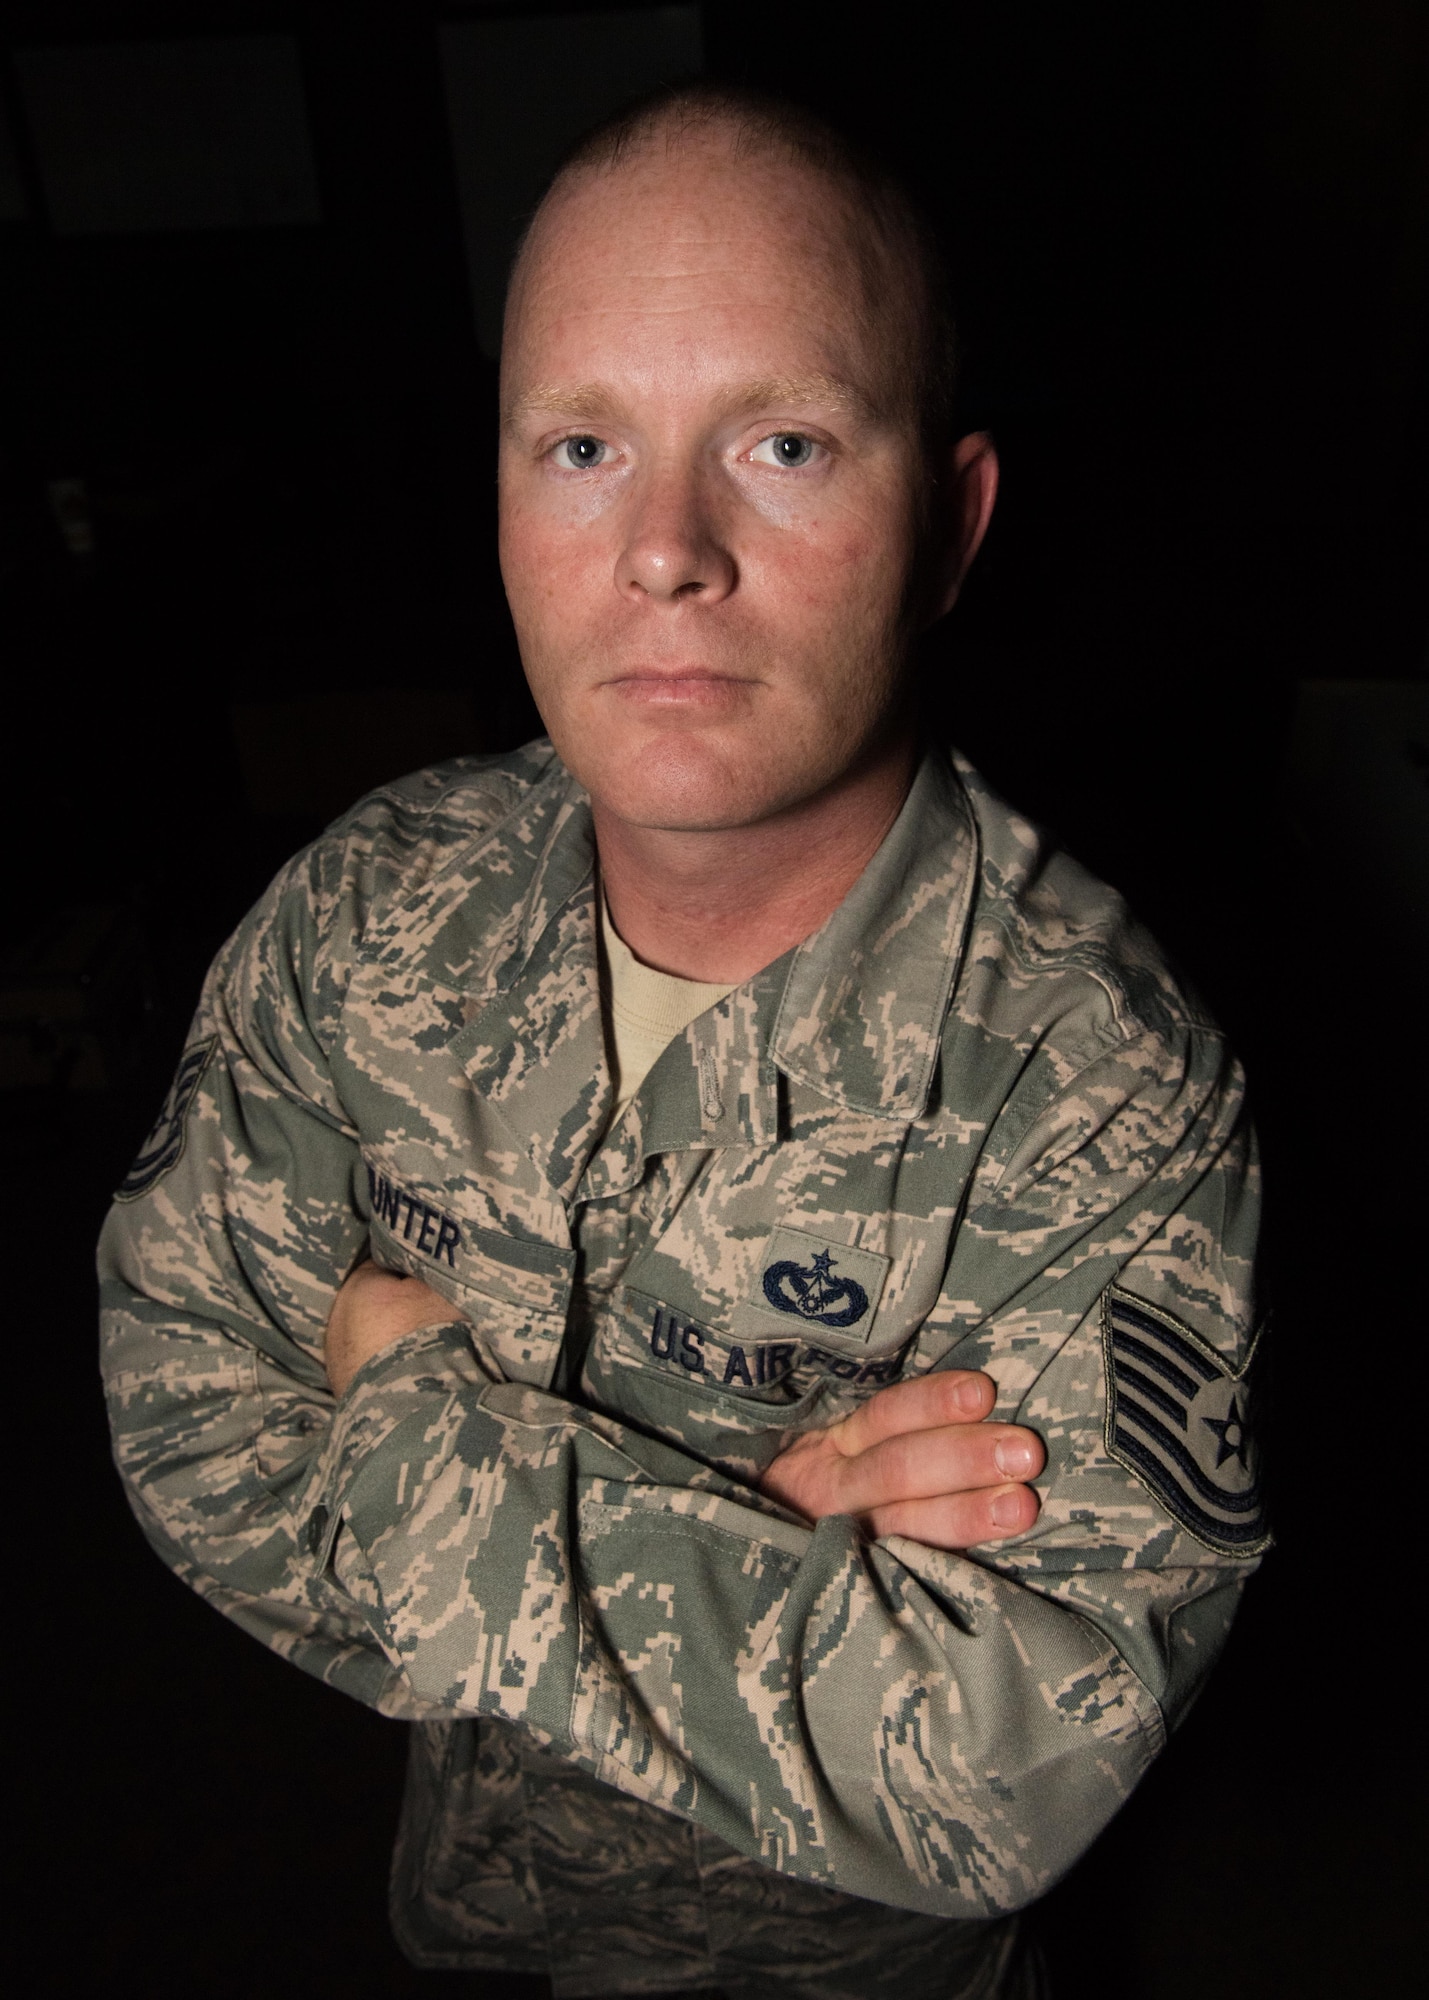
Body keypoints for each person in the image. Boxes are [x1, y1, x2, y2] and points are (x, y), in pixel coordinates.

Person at [99, 85, 1266, 2000]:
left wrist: (409, 1402)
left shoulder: (1096, 1088)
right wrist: (729, 1545)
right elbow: (176, 1394)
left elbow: (995, 1775)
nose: (662, 552)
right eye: (579, 445)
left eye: (783, 443)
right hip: (466, 1902)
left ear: (952, 522)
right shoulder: (364, 911)